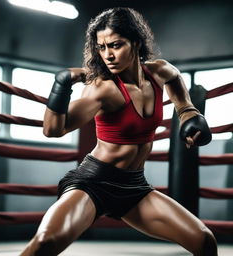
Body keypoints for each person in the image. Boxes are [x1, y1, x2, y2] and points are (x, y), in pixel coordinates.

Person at [20, 7, 217, 256]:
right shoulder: (103, 89)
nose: (108, 55)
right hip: (93, 183)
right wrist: (61, 86)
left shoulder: (158, 72)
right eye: (101, 47)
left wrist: (189, 114)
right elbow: (52, 130)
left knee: (204, 240)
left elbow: (176, 83)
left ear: (135, 42)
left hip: (135, 187)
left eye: (115, 45)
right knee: (44, 243)